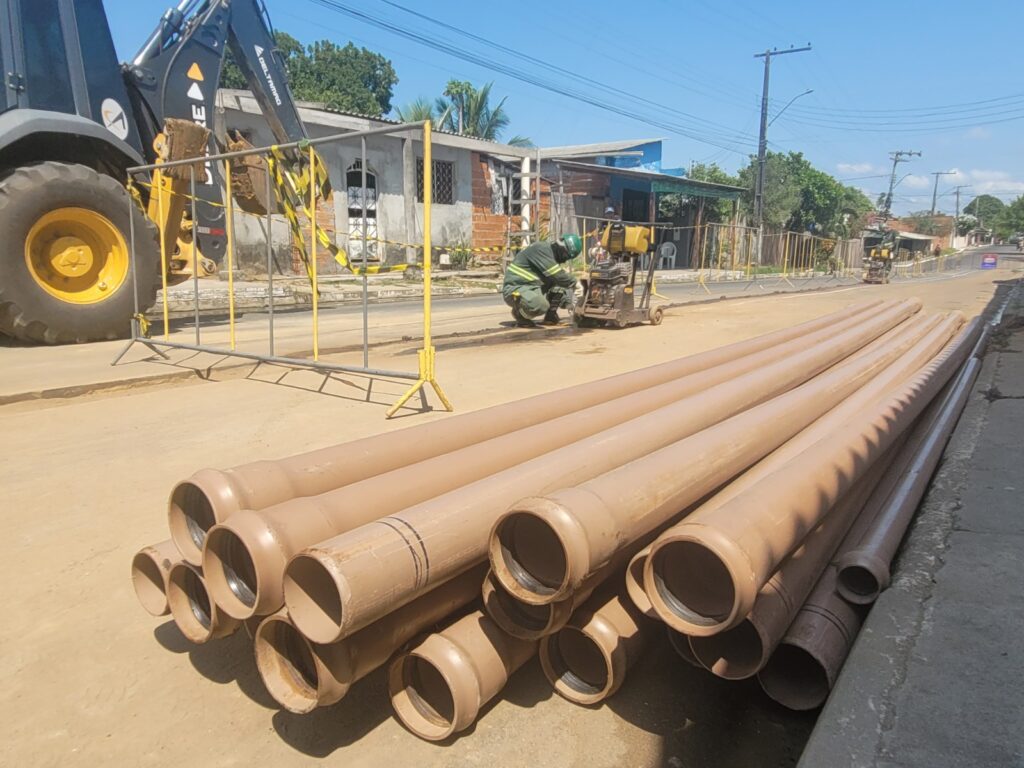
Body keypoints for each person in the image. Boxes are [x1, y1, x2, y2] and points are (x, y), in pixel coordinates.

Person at [502, 234, 582, 327]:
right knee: (541, 306)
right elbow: (558, 275)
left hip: (530, 286)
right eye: (566, 257)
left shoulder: (549, 255)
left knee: (559, 283)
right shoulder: (541, 249)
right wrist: (576, 284)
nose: (564, 261)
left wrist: (569, 303)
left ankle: (550, 316)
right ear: (563, 250)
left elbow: (560, 280)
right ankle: (519, 315)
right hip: (516, 289)